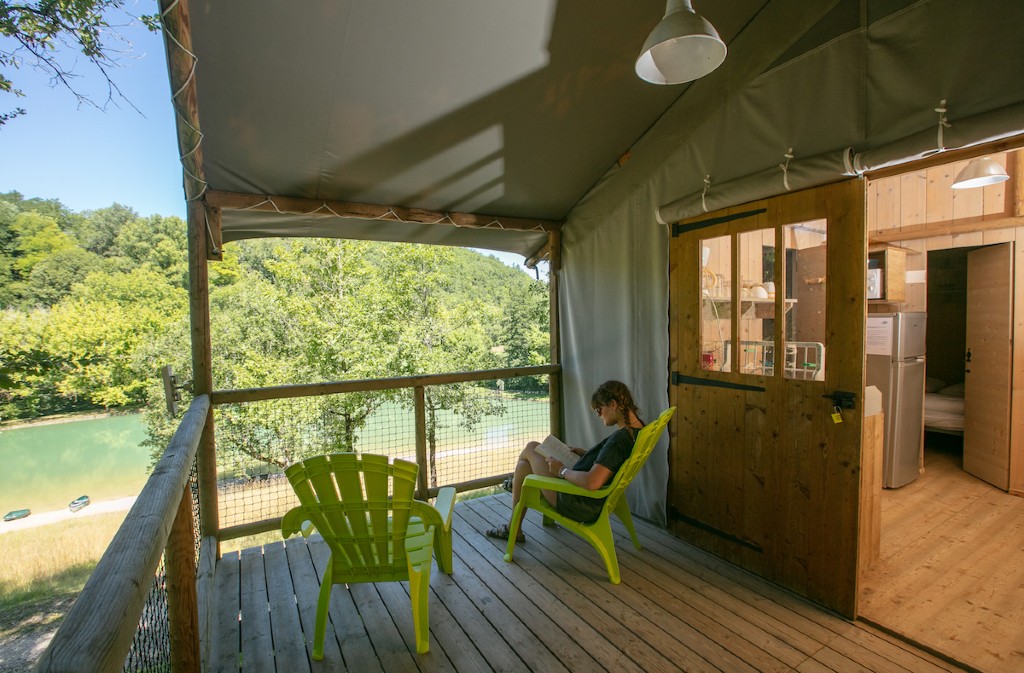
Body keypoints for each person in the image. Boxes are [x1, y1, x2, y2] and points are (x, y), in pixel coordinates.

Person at [486, 380, 645, 543]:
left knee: (531, 448)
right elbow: (609, 462)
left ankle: (515, 494)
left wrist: (561, 470)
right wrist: (585, 454)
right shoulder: (637, 431)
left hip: (576, 501)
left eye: (599, 409)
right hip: (586, 496)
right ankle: (515, 507)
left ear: (613, 404)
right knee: (524, 467)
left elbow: (592, 482)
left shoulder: (620, 440)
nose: (598, 414)